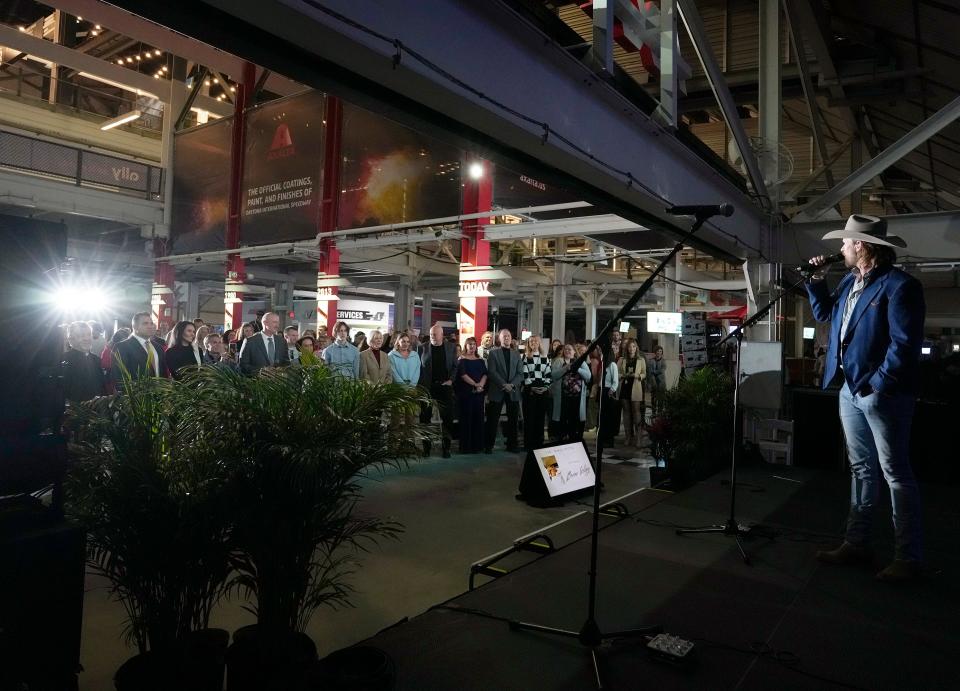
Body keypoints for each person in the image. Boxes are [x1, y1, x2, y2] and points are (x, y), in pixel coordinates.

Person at [806, 214, 925, 583]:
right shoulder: (848, 281)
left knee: (895, 473)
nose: (840, 247)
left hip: (880, 393)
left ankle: (908, 558)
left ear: (861, 245)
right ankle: (856, 543)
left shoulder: (899, 286)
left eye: (845, 242)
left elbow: (904, 344)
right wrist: (815, 281)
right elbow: (825, 314)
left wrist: (878, 385)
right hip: (849, 390)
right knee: (861, 470)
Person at [418, 323, 458, 458]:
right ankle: (426, 448)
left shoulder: (451, 347)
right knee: (424, 419)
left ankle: (446, 448)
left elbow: (455, 367)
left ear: (442, 335)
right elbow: (418, 367)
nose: (432, 337)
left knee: (447, 419)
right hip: (427, 387)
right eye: (430, 334)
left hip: (444, 387)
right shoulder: (421, 348)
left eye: (435, 334)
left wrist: (451, 380)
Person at [484, 328, 523, 454]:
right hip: (497, 390)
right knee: (492, 420)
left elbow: (520, 373)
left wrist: (511, 385)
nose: (507, 338)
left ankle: (512, 445)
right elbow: (492, 372)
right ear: (499, 339)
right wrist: (504, 384)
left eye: (508, 336)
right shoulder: (493, 353)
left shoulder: (516, 354)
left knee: (513, 420)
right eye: (504, 336)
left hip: (513, 391)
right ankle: (488, 446)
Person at [113, 312, 169, 386]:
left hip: (159, 394)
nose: (150, 326)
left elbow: (163, 373)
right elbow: (119, 377)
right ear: (135, 327)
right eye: (145, 323)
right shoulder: (122, 347)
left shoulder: (158, 347)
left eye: (151, 323)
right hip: (137, 395)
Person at [551, 344, 591, 443]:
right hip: (563, 397)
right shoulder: (559, 361)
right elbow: (553, 375)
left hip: (577, 398)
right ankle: (562, 440)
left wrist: (577, 368)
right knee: (562, 419)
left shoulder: (580, 362)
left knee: (574, 420)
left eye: (570, 349)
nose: (567, 351)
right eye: (566, 349)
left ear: (574, 352)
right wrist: (566, 368)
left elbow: (588, 376)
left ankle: (573, 441)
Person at [455, 336, 488, 454]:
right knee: (466, 420)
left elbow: (485, 374)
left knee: (478, 419)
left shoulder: (480, 360)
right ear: (466, 346)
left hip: (479, 394)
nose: (472, 346)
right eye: (470, 344)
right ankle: (466, 447)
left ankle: (477, 446)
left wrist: (481, 385)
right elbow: (463, 375)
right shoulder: (462, 359)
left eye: (474, 344)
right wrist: (475, 385)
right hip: (466, 394)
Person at [520, 334, 552, 451]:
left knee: (540, 418)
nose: (533, 343)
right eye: (531, 342)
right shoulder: (525, 357)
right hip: (530, 391)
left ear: (539, 343)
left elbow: (548, 374)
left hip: (542, 390)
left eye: (536, 341)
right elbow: (524, 374)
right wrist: (530, 387)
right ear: (528, 344)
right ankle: (528, 444)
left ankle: (539, 443)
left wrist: (546, 386)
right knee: (529, 419)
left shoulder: (545, 357)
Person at [62, 321, 105, 402]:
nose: (86, 338)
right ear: (70, 339)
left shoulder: (96, 360)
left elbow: (101, 387)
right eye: (81, 335)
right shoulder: (64, 360)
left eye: (89, 334)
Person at [618, 338, 647, 446]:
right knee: (626, 412)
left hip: (635, 387)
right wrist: (623, 375)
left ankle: (638, 438)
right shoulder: (622, 359)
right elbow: (617, 373)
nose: (631, 348)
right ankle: (628, 437)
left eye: (633, 346)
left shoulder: (641, 360)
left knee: (636, 412)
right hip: (625, 387)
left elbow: (644, 373)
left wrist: (638, 376)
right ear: (627, 348)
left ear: (636, 348)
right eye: (630, 346)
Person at [597, 341, 621, 447]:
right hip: (601, 390)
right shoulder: (603, 362)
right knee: (602, 416)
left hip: (608, 391)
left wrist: (611, 392)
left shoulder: (613, 365)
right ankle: (602, 437)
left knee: (608, 417)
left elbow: (615, 381)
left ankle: (609, 440)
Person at [101, 327, 130, 394]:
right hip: (112, 379)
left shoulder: (126, 348)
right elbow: (104, 364)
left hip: (123, 379)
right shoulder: (109, 349)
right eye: (124, 339)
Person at [647, 346, 667, 418]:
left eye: (660, 351)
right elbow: (649, 371)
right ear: (655, 352)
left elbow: (662, 370)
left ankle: (660, 413)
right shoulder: (651, 360)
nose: (659, 352)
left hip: (661, 382)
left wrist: (654, 372)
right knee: (653, 398)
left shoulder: (663, 361)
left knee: (661, 399)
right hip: (653, 382)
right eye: (658, 351)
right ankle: (653, 413)